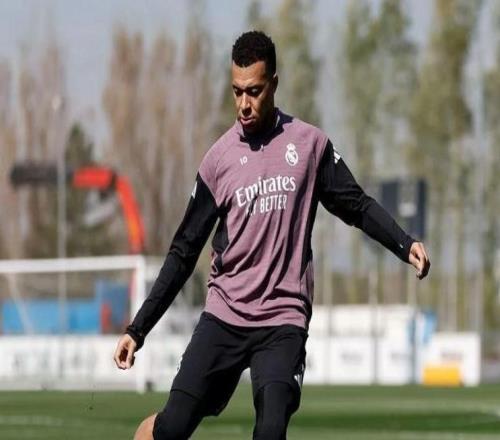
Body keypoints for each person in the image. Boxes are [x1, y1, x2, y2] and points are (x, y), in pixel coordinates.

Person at [114, 30, 430, 440]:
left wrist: (405, 243)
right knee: (172, 427)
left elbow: (356, 205)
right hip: (225, 315)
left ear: (274, 84)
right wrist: (137, 329)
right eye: (237, 91)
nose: (244, 104)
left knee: (270, 430)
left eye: (254, 91)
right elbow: (184, 251)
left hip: (283, 319)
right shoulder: (218, 161)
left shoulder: (310, 145)